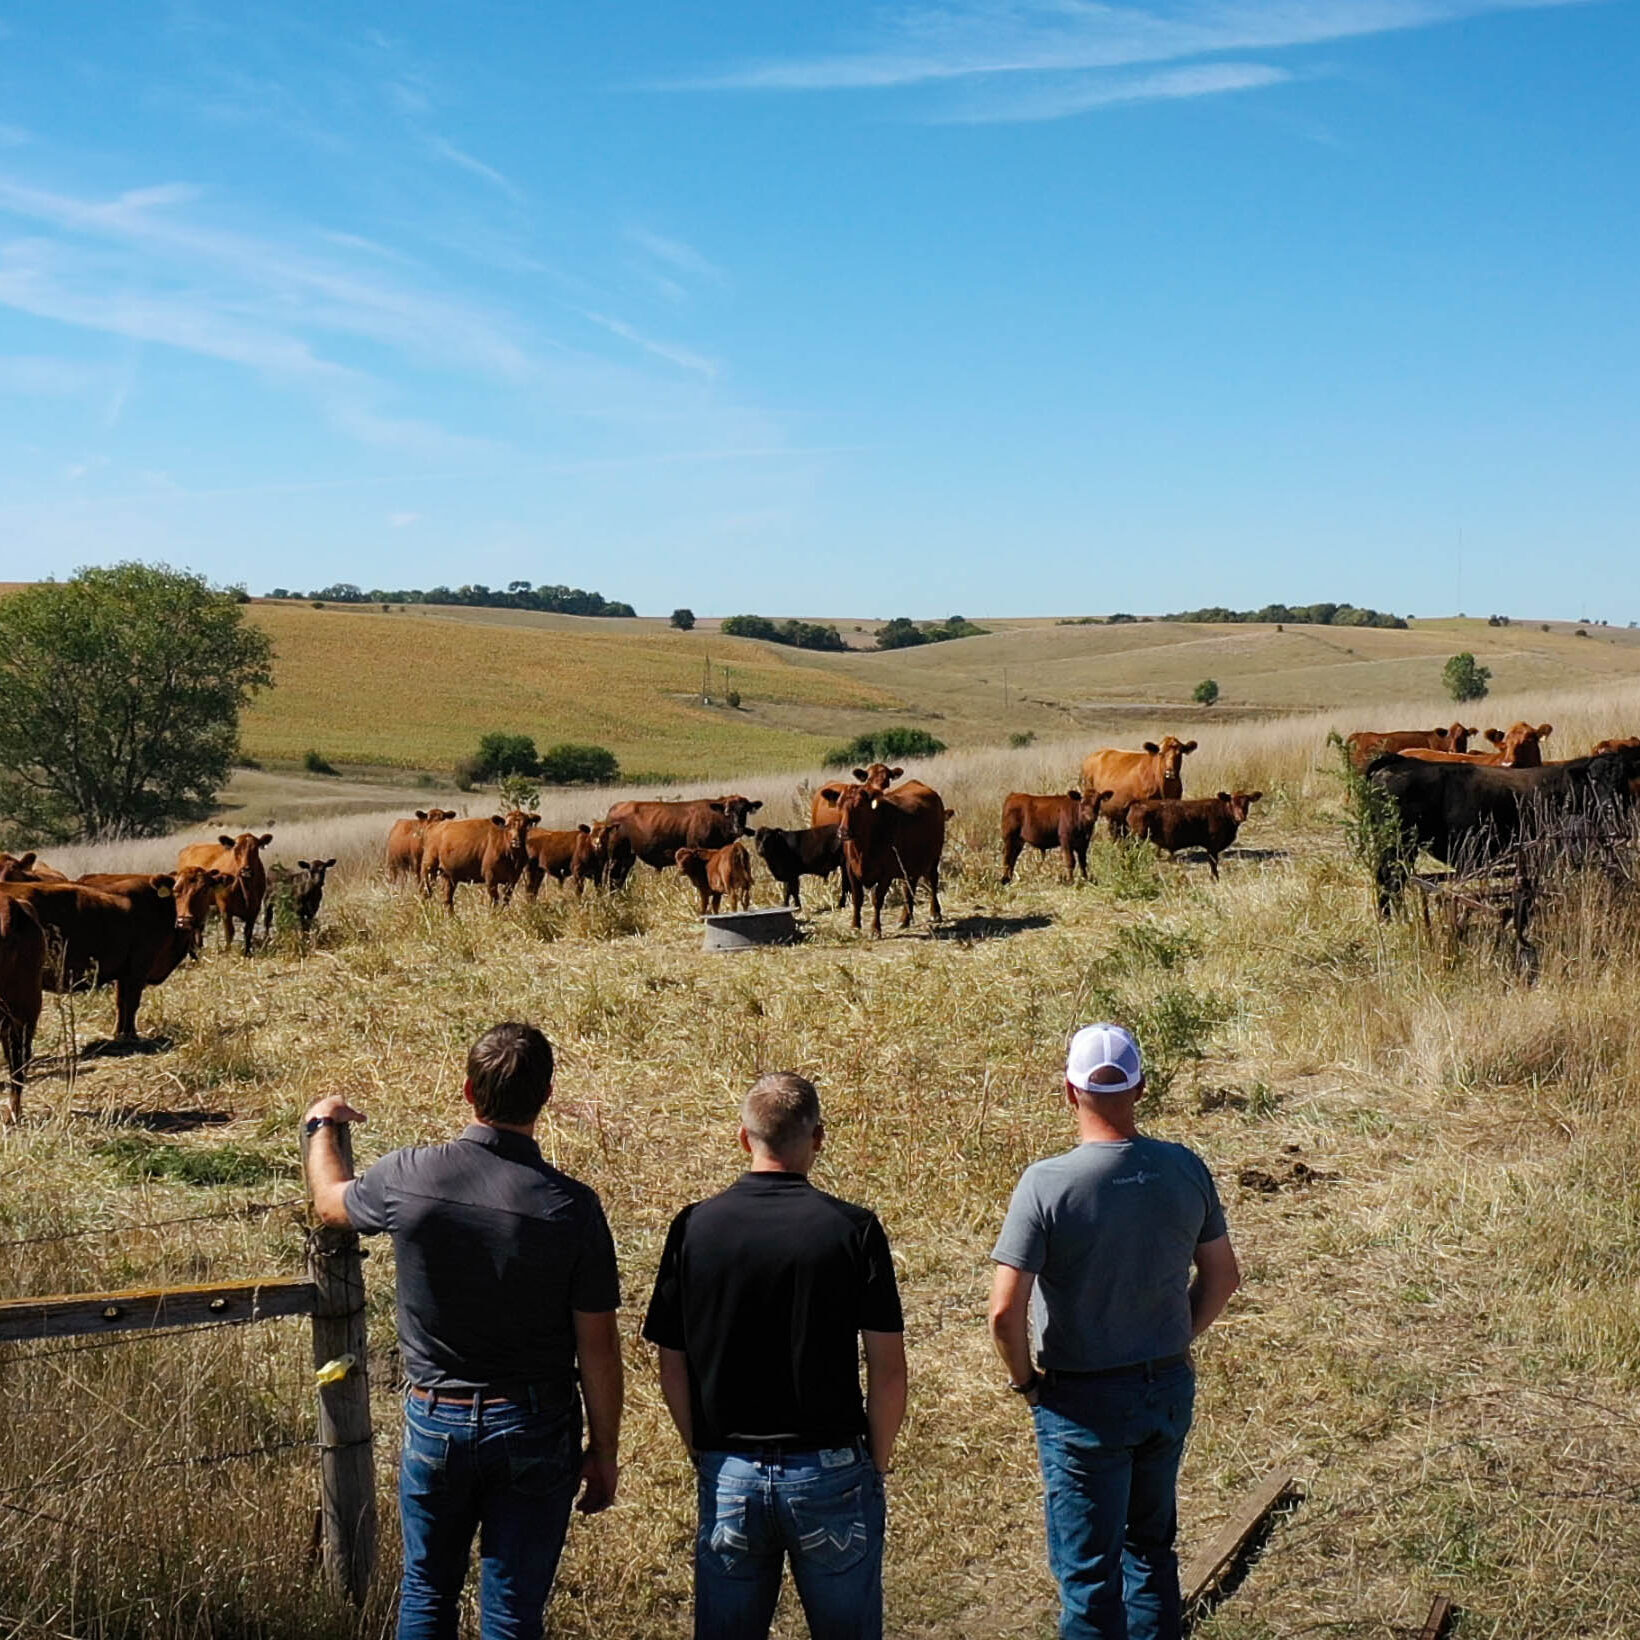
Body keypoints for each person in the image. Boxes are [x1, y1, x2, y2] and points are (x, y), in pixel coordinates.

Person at [303, 1021, 624, 1640]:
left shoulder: (410, 1175)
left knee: (427, 1593)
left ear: (469, 1092)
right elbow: (599, 1349)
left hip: (436, 1417)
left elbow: (331, 1202)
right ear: (546, 1097)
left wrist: (322, 1126)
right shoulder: (571, 1207)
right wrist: (604, 1452)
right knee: (512, 1613)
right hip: (534, 1424)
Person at [989, 1024, 1240, 1640]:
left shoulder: (1046, 1185)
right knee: (1151, 1552)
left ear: (1070, 1092)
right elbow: (1223, 1277)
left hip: (1081, 1403)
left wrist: (1026, 1384)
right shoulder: (1184, 1167)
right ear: (1143, 1087)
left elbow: (1003, 1312)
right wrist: (1174, 1336)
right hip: (1165, 1386)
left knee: (1088, 1579)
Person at [643, 1071, 907, 1640]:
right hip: (831, 1468)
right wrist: (875, 1465)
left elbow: (670, 1362)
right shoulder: (854, 1230)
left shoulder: (694, 1227)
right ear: (819, 1138)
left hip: (729, 1469)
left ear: (744, 1138)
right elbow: (888, 1370)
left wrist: (702, 1450)